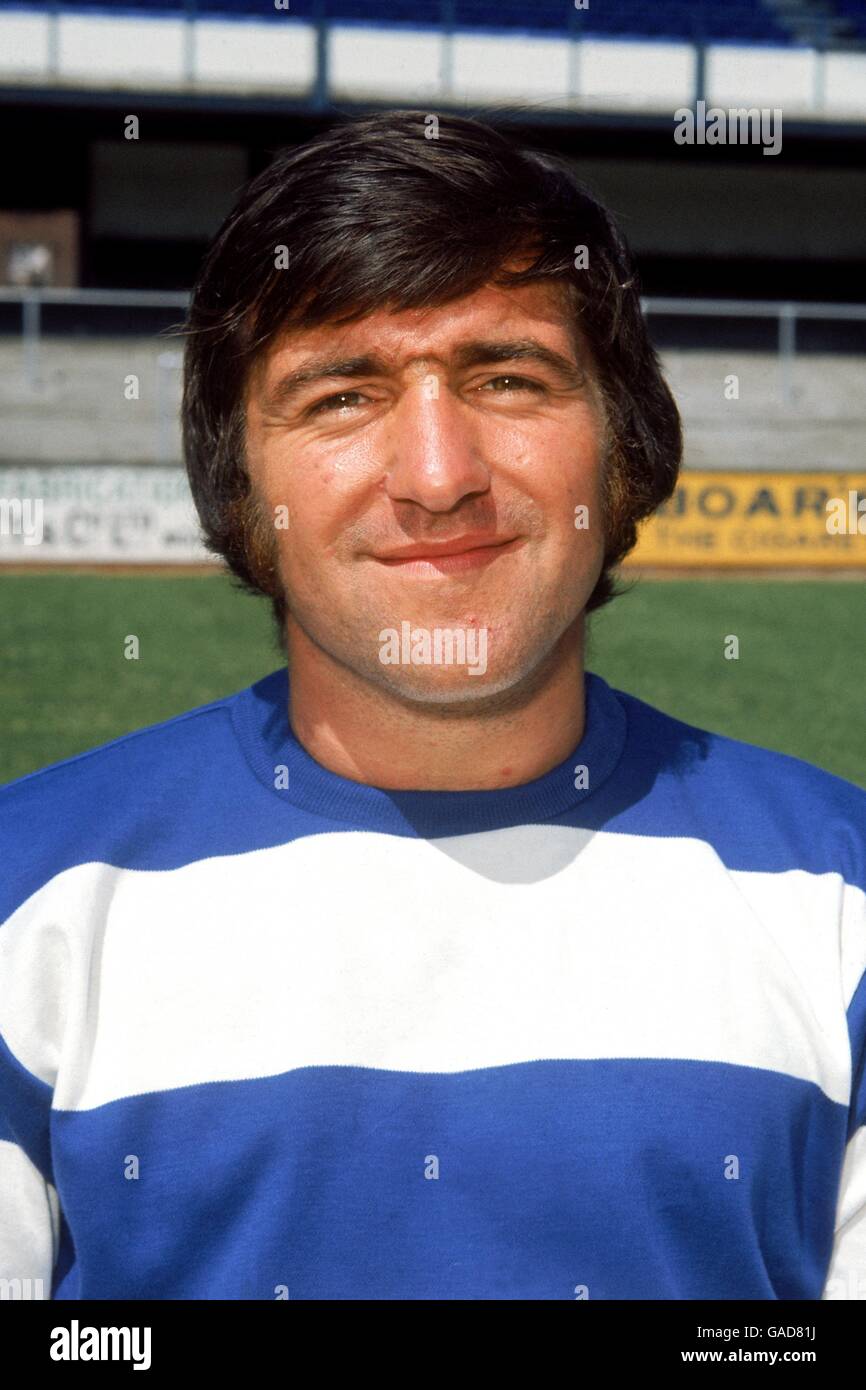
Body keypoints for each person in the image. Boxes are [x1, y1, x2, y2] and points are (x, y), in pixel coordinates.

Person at [1, 109, 864, 1301]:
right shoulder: (24, 900)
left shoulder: (840, 907)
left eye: (507, 378)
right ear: (238, 480)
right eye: (341, 396)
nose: (438, 476)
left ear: (624, 452)